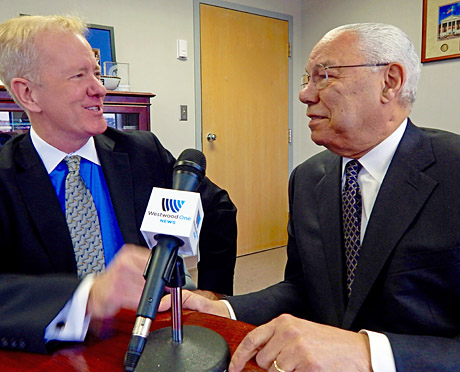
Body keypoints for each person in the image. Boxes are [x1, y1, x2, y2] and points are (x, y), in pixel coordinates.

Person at [160, 23, 460, 371]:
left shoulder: (452, 172)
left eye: (325, 76)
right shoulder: (308, 178)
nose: (305, 94)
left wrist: (368, 352)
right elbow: (303, 289)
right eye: (307, 78)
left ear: (389, 82)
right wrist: (226, 308)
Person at [0, 15, 236, 354]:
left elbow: (218, 210)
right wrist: (89, 296)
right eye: (79, 75)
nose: (100, 88)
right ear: (28, 94)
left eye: (96, 72)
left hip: (156, 336)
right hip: (51, 353)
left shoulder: (142, 152)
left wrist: (212, 293)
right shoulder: (5, 176)